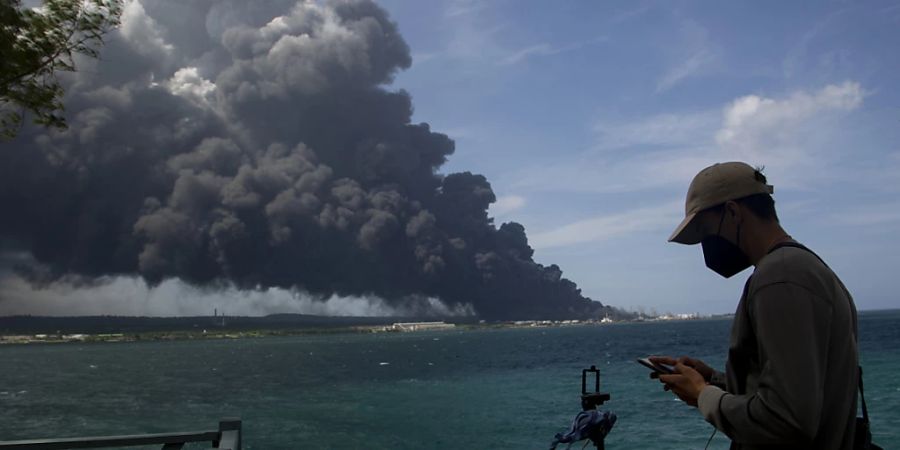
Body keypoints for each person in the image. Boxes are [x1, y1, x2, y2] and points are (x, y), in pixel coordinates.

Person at [651, 162, 860, 449]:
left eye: (705, 231)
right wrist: (714, 380)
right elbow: (795, 389)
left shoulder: (780, 276)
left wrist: (703, 395)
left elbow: (786, 421)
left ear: (734, 213)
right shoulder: (803, 267)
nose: (705, 245)